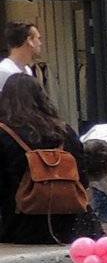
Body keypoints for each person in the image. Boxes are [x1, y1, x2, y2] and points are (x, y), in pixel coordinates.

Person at [0, 74, 98, 245]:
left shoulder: (3, 133)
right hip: (70, 226)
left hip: (20, 228)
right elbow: (82, 179)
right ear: (42, 97)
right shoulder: (64, 131)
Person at [0, 21, 40, 87]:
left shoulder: (27, 70)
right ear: (29, 41)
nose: (40, 43)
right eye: (38, 38)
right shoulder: (3, 71)